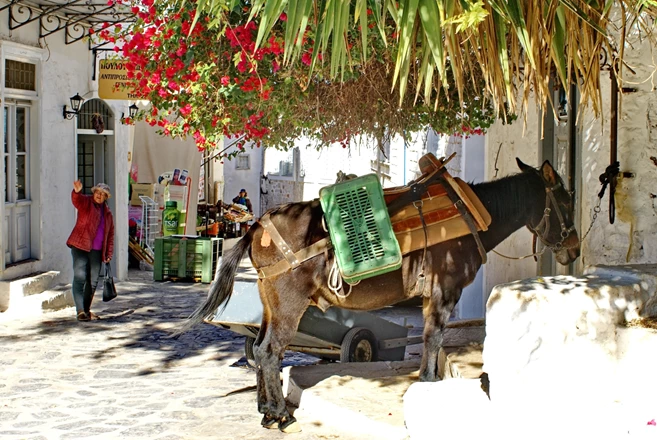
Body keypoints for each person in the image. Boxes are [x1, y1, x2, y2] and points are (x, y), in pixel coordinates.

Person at [66, 181, 115, 322]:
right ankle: (80, 311)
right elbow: (77, 200)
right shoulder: (86, 203)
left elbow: (110, 235)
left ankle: (86, 310)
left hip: (97, 250)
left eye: (103, 194)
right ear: (93, 193)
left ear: (106, 197)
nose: (99, 196)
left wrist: (108, 253)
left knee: (92, 281)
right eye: (97, 193)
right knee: (80, 277)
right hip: (80, 246)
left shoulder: (107, 214)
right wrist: (76, 191)